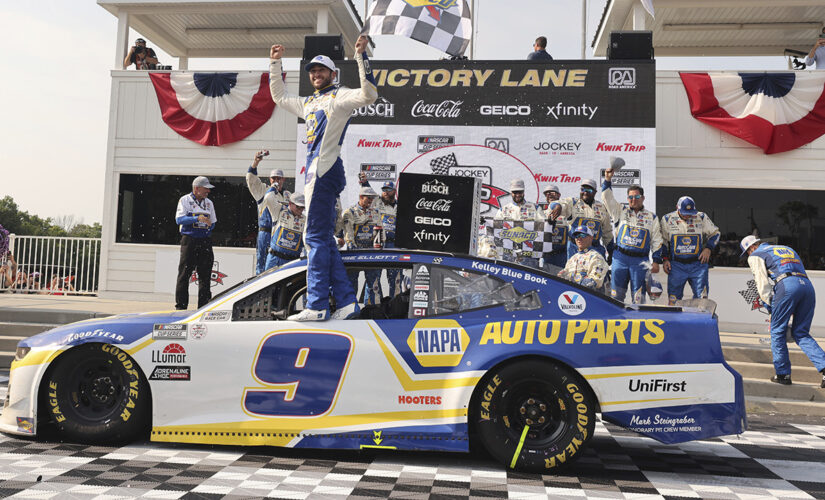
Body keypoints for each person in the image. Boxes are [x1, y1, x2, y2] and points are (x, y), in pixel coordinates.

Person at [269, 35, 377, 321]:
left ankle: (316, 305)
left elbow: (370, 96)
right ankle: (345, 301)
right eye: (313, 71)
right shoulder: (308, 102)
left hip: (324, 170)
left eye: (322, 70)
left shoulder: (339, 96)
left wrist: (360, 56)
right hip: (319, 171)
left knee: (313, 237)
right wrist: (275, 63)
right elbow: (279, 97)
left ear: (332, 74)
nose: (316, 75)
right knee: (325, 241)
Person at [741, 235, 825, 388]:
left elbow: (762, 284)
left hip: (787, 286)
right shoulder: (786, 248)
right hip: (807, 286)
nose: (748, 255)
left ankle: (783, 374)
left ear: (750, 248)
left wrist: (771, 307)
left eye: (746, 252)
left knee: (777, 331)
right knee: (801, 333)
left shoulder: (755, 255)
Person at [601, 169, 663, 304]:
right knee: (615, 297)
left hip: (640, 261)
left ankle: (637, 323)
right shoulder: (620, 211)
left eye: (636, 197)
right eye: (630, 197)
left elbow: (657, 240)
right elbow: (607, 197)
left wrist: (657, 261)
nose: (633, 200)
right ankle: (615, 322)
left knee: (638, 298)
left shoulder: (651, 217)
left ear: (643, 198)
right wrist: (607, 179)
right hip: (620, 258)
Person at [660, 196, 720, 305]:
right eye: (684, 213)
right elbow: (662, 241)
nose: (687, 215)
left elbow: (716, 233)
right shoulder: (667, 219)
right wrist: (665, 259)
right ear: (677, 208)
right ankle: (675, 321)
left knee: (702, 299)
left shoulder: (701, 217)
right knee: (673, 300)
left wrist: (708, 248)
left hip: (698, 265)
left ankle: (699, 321)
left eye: (690, 212)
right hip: (676, 265)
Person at [174, 176, 217, 310]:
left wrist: (210, 225)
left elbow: (214, 222)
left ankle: (203, 307)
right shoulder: (185, 200)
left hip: (205, 241)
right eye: (206, 189)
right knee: (184, 275)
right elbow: (179, 220)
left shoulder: (209, 203)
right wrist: (196, 218)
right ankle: (181, 307)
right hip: (190, 240)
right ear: (197, 188)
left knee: (205, 275)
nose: (208, 192)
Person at [246, 150, 290, 274]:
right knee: (262, 263)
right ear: (270, 179)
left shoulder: (288, 195)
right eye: (273, 178)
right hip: (266, 232)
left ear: (283, 179)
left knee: (279, 264)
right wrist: (256, 162)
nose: (276, 180)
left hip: (281, 234)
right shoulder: (263, 190)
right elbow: (251, 179)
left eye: (279, 178)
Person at [547, 179, 614, 259]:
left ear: (595, 192)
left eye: (589, 189)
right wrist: (557, 206)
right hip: (575, 248)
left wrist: (610, 251)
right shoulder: (573, 203)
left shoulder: (601, 207)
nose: (585, 192)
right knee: (575, 271)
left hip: (595, 248)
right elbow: (556, 204)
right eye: (583, 189)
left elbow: (607, 232)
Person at [342, 186, 382, 305]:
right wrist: (351, 246)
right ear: (361, 197)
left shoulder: (375, 212)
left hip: (370, 252)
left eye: (372, 198)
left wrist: (379, 245)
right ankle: (350, 308)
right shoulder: (350, 212)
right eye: (368, 198)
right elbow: (348, 232)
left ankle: (371, 310)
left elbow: (379, 230)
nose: (370, 201)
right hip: (355, 252)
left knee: (373, 284)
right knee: (351, 283)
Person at [494, 179, 544, 267]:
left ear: (524, 192)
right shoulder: (504, 209)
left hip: (529, 252)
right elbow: (495, 227)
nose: (517, 195)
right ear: (511, 193)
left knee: (529, 276)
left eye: (520, 192)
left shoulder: (535, 208)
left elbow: (544, 226)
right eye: (515, 192)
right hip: (509, 251)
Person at [264, 193, 306, 271]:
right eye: (298, 207)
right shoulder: (279, 211)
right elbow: (268, 198)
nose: (301, 210)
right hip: (275, 259)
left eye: (302, 207)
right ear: (290, 203)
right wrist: (274, 187)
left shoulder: (305, 220)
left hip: (292, 261)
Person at [559, 225, 608, 290]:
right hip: (570, 293)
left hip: (589, 296)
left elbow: (594, 282)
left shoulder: (596, 258)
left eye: (582, 235)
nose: (579, 238)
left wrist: (573, 279)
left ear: (591, 238)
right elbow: (562, 276)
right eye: (577, 236)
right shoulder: (572, 258)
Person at [542, 184, 568, 270]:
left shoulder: (567, 212)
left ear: (559, 195)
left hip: (563, 255)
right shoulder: (542, 214)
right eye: (547, 194)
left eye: (552, 192)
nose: (549, 195)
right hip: (547, 256)